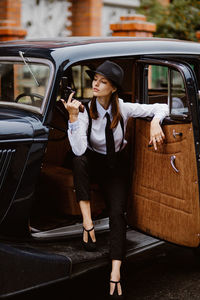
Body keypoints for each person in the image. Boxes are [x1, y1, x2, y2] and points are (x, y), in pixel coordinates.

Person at [61, 60, 168, 299]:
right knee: (78, 161)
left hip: (115, 167)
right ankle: (87, 224)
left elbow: (162, 106)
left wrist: (154, 122)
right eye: (95, 79)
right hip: (91, 161)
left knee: (118, 213)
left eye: (103, 81)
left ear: (113, 88)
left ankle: (116, 271)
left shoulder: (124, 108)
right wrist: (72, 118)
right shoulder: (86, 110)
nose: (96, 84)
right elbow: (79, 151)